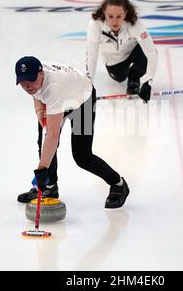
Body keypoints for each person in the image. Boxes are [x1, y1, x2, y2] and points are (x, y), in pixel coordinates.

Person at [15, 56, 129, 209]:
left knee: (83, 157)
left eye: (31, 81)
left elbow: (53, 135)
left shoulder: (54, 87)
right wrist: (39, 111)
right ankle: (50, 187)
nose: (28, 86)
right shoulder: (35, 80)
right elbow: (37, 94)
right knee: (45, 145)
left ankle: (118, 184)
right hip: (61, 97)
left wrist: (41, 172)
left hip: (82, 101)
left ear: (41, 73)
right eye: (23, 83)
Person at [86, 0, 157, 101]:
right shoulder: (95, 25)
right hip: (114, 61)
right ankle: (123, 73)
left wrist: (148, 81)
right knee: (119, 77)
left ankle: (134, 79)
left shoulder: (134, 23)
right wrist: (88, 87)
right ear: (104, 13)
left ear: (125, 13)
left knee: (144, 58)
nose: (115, 21)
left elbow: (152, 53)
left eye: (119, 16)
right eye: (110, 16)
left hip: (133, 50)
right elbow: (91, 58)